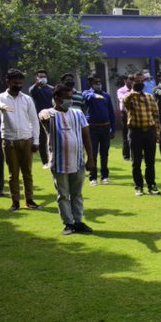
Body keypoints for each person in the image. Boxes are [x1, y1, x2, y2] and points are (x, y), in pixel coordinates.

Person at [38, 84, 95, 235]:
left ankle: (78, 221)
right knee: (63, 194)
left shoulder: (77, 113)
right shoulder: (49, 113)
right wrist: (44, 116)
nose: (69, 101)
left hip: (78, 161)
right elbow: (43, 115)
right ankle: (68, 223)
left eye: (71, 98)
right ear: (57, 98)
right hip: (59, 162)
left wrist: (91, 158)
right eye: (66, 98)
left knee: (77, 194)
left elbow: (86, 136)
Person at [0, 69, 40, 212]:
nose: (18, 85)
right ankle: (15, 202)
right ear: (8, 82)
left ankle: (29, 200)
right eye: (15, 83)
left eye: (20, 83)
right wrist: (3, 107)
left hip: (26, 139)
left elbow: (34, 120)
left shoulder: (26, 99)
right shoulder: (0, 97)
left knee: (27, 172)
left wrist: (36, 140)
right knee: (13, 173)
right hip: (9, 140)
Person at [122, 72, 161, 196]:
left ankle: (151, 185)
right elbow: (125, 102)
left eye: (141, 81)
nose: (140, 84)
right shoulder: (128, 97)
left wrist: (157, 132)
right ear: (132, 82)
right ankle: (138, 186)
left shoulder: (150, 97)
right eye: (137, 81)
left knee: (150, 161)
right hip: (135, 132)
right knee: (136, 161)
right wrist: (133, 91)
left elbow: (156, 116)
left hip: (149, 131)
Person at [82, 74, 115, 184]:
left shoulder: (106, 96)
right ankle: (93, 177)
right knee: (93, 153)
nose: (99, 84)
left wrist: (113, 129)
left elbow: (111, 113)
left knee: (104, 153)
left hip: (105, 127)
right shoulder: (87, 93)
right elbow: (86, 98)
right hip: (93, 128)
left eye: (100, 82)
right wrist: (94, 95)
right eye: (96, 82)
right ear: (91, 84)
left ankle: (104, 176)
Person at [29, 70, 54, 168]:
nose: (43, 78)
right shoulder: (35, 89)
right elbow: (31, 91)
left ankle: (53, 159)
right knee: (42, 139)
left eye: (44, 76)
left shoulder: (51, 89)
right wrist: (36, 84)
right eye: (41, 76)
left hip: (51, 116)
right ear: (37, 78)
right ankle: (45, 162)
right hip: (40, 118)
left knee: (53, 138)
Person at [116, 75, 133, 159]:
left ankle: (138, 153)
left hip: (135, 114)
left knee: (136, 134)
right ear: (125, 80)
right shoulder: (121, 91)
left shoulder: (135, 90)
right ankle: (126, 154)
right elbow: (122, 99)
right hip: (125, 114)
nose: (131, 81)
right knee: (126, 134)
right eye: (130, 80)